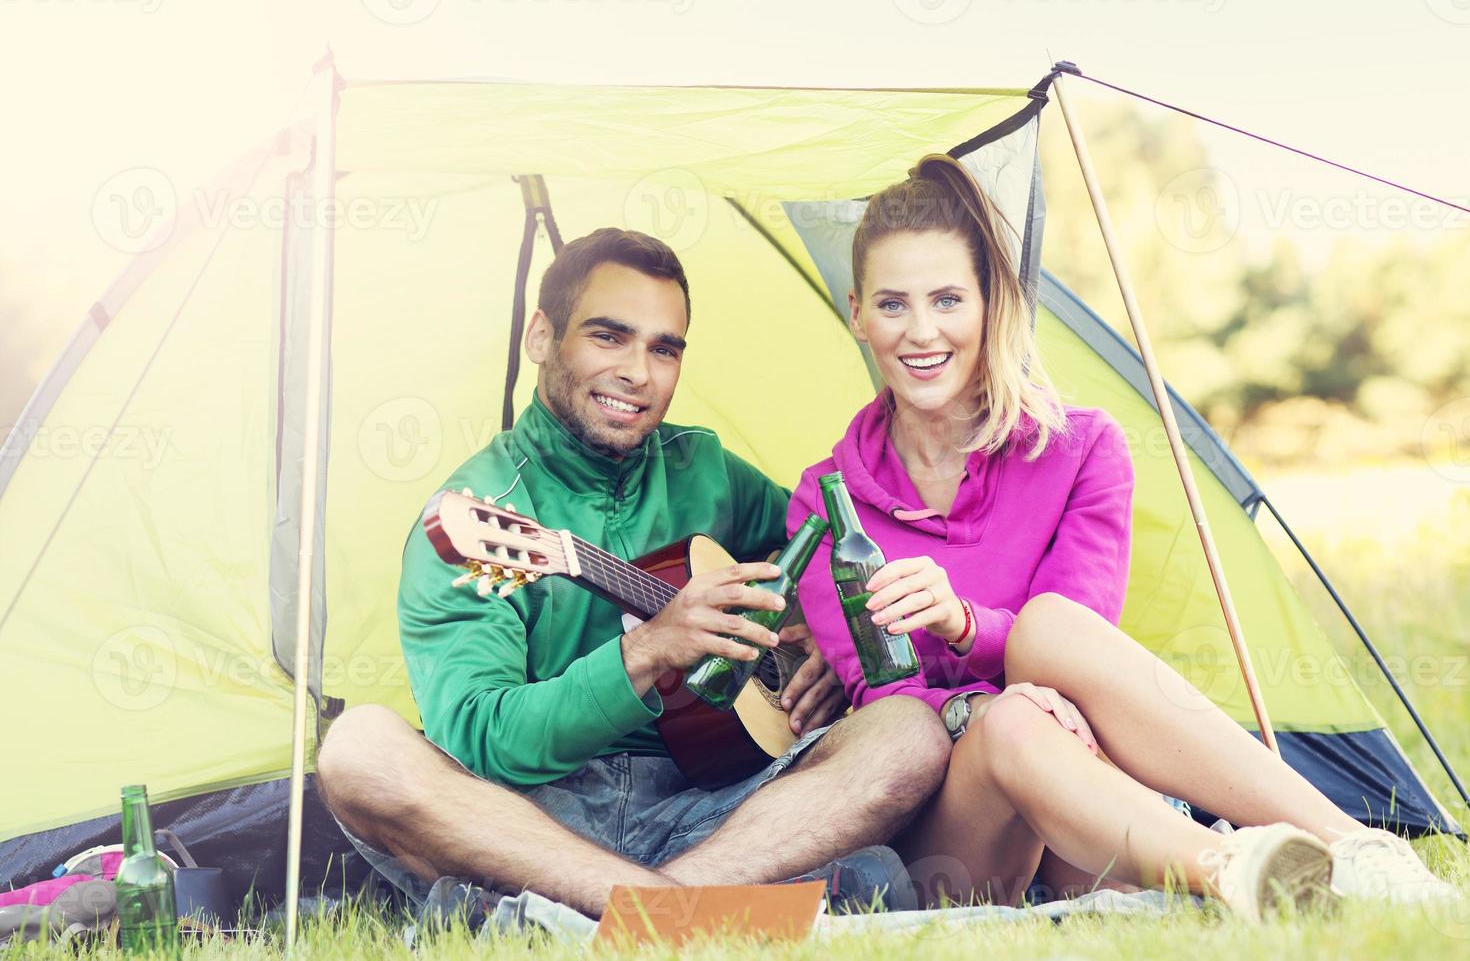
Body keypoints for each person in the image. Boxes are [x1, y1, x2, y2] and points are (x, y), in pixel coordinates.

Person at [785, 154, 1459, 919]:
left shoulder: (1081, 449)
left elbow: (1077, 641)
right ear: (856, 313)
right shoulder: (826, 504)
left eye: (947, 299)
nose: (922, 332)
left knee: (1048, 637)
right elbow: (886, 707)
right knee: (1011, 719)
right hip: (954, 831)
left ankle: (1351, 850)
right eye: (893, 304)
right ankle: (1232, 862)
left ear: (989, 306)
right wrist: (985, 699)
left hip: (1079, 790)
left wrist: (964, 625)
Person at [316, 227, 949, 920]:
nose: (638, 374)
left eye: (663, 348)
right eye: (608, 337)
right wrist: (645, 652)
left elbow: (831, 547)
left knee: (907, 733)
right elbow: (481, 741)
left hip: (717, 812)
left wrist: (827, 640)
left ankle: (622, 913)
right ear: (540, 337)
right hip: (538, 829)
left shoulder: (705, 469)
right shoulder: (483, 517)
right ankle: (681, 912)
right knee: (359, 750)